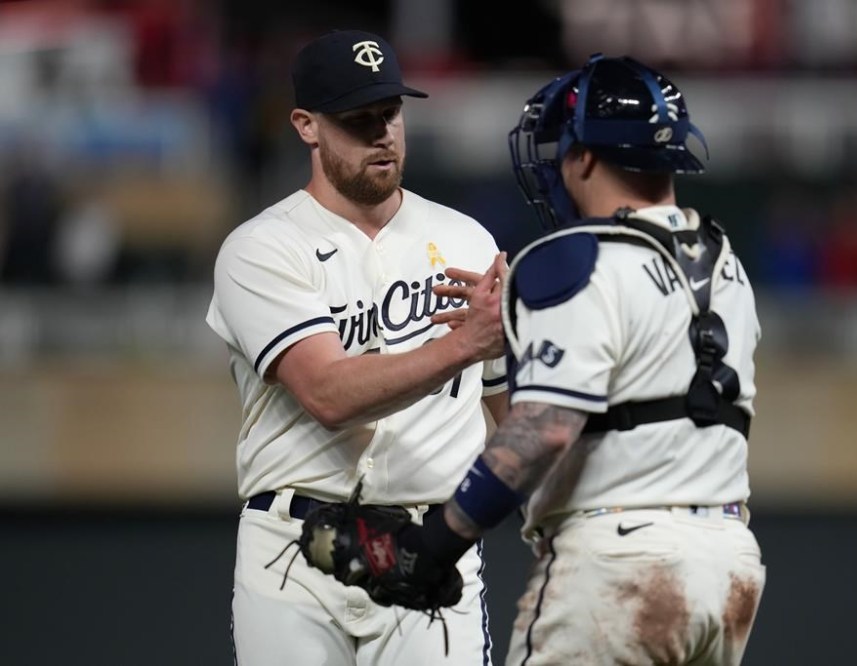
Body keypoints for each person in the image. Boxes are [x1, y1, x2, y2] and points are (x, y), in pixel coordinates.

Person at [343, 53, 768, 665]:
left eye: (563, 150)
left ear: (586, 156)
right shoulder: (726, 261)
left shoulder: (571, 255)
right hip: (729, 565)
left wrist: (429, 545)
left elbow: (545, 429)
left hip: (619, 563)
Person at [205, 29, 508, 665]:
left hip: (432, 544)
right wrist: (463, 346)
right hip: (293, 553)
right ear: (306, 126)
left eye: (390, 113)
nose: (382, 133)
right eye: (357, 119)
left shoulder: (469, 242)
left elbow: (511, 414)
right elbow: (328, 393)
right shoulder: (261, 248)